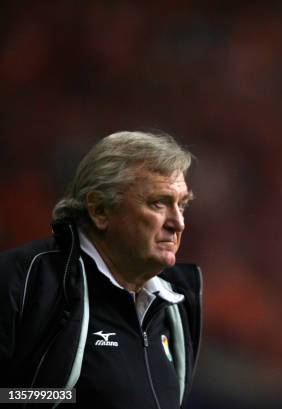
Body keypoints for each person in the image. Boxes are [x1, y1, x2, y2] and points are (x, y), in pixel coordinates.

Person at [0, 131, 202, 409]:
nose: (178, 223)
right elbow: (6, 395)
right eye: (159, 203)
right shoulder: (23, 280)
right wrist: (72, 398)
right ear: (100, 210)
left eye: (182, 205)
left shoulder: (175, 306)